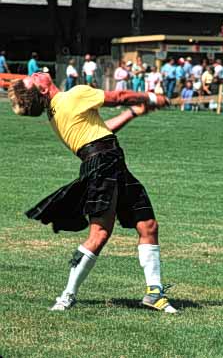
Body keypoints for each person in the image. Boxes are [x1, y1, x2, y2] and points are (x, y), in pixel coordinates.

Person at [8, 72, 176, 314]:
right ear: (43, 90)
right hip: (104, 164)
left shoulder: (56, 112)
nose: (36, 73)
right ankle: (66, 296)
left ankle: (154, 293)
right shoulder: (73, 95)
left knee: (148, 225)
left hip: (110, 161)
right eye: (33, 79)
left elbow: (102, 130)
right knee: (99, 235)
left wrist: (133, 113)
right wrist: (151, 97)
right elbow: (118, 95)